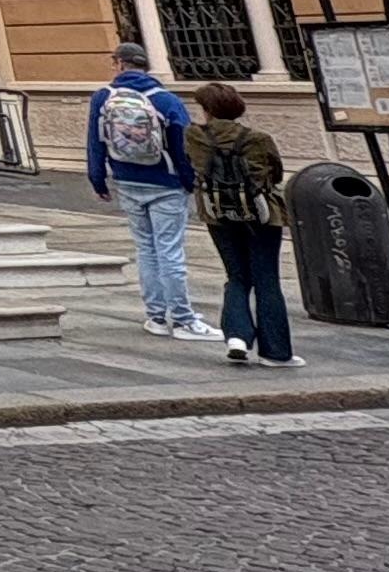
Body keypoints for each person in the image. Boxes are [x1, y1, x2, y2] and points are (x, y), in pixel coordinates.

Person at [83, 40, 202, 337]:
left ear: (119, 64)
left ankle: (156, 317)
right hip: (166, 183)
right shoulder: (167, 100)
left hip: (126, 180)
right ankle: (183, 319)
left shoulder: (103, 97)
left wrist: (97, 179)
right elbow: (182, 147)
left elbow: (95, 141)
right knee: (170, 251)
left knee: (146, 250)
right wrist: (189, 181)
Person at [186, 80, 298, 368]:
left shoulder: (195, 136)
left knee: (236, 275)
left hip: (217, 213)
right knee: (266, 279)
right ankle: (276, 352)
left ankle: (236, 335)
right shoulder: (258, 138)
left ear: (207, 110)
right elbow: (275, 172)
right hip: (262, 215)